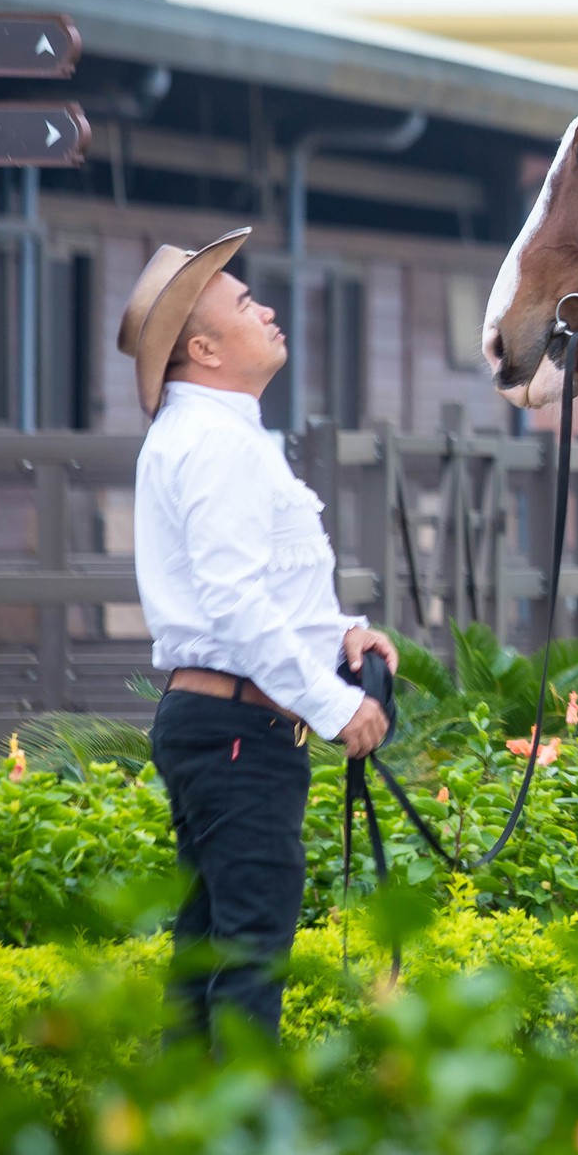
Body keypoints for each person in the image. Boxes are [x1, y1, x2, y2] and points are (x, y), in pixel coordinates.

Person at [114, 228, 397, 1036]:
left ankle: (184, 1139)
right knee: (249, 954)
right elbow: (234, 601)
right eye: (244, 302)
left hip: (229, 720)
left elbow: (251, 585)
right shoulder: (213, 441)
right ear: (203, 346)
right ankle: (244, 1151)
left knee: (212, 947)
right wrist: (333, 705)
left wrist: (342, 632)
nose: (266, 308)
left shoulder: (219, 433)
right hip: (241, 723)